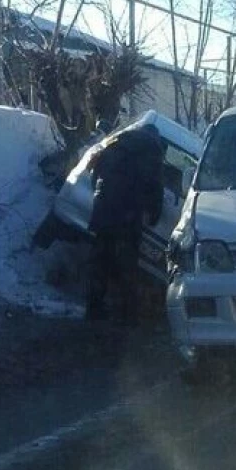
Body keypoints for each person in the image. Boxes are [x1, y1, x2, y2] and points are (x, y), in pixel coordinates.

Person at [85, 124, 165, 323]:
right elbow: (156, 186)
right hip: (127, 214)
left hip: (103, 209)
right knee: (126, 263)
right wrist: (154, 213)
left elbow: (95, 174)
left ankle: (93, 308)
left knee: (100, 260)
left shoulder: (116, 142)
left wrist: (101, 198)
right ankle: (126, 314)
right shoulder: (152, 148)